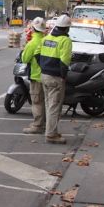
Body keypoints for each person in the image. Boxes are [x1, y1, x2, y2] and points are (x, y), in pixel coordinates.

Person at [38, 15, 72, 144]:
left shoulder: (46, 38)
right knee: (54, 107)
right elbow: (64, 62)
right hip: (55, 78)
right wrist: (63, 77)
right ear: (67, 28)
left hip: (44, 75)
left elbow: (37, 54)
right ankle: (51, 135)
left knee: (49, 105)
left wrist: (44, 68)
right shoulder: (65, 41)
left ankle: (51, 131)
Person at [21, 17, 47, 134]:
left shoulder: (32, 43)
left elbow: (25, 59)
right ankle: (43, 123)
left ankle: (37, 125)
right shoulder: (46, 40)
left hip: (36, 76)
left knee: (37, 102)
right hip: (48, 76)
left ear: (32, 29)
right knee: (45, 102)